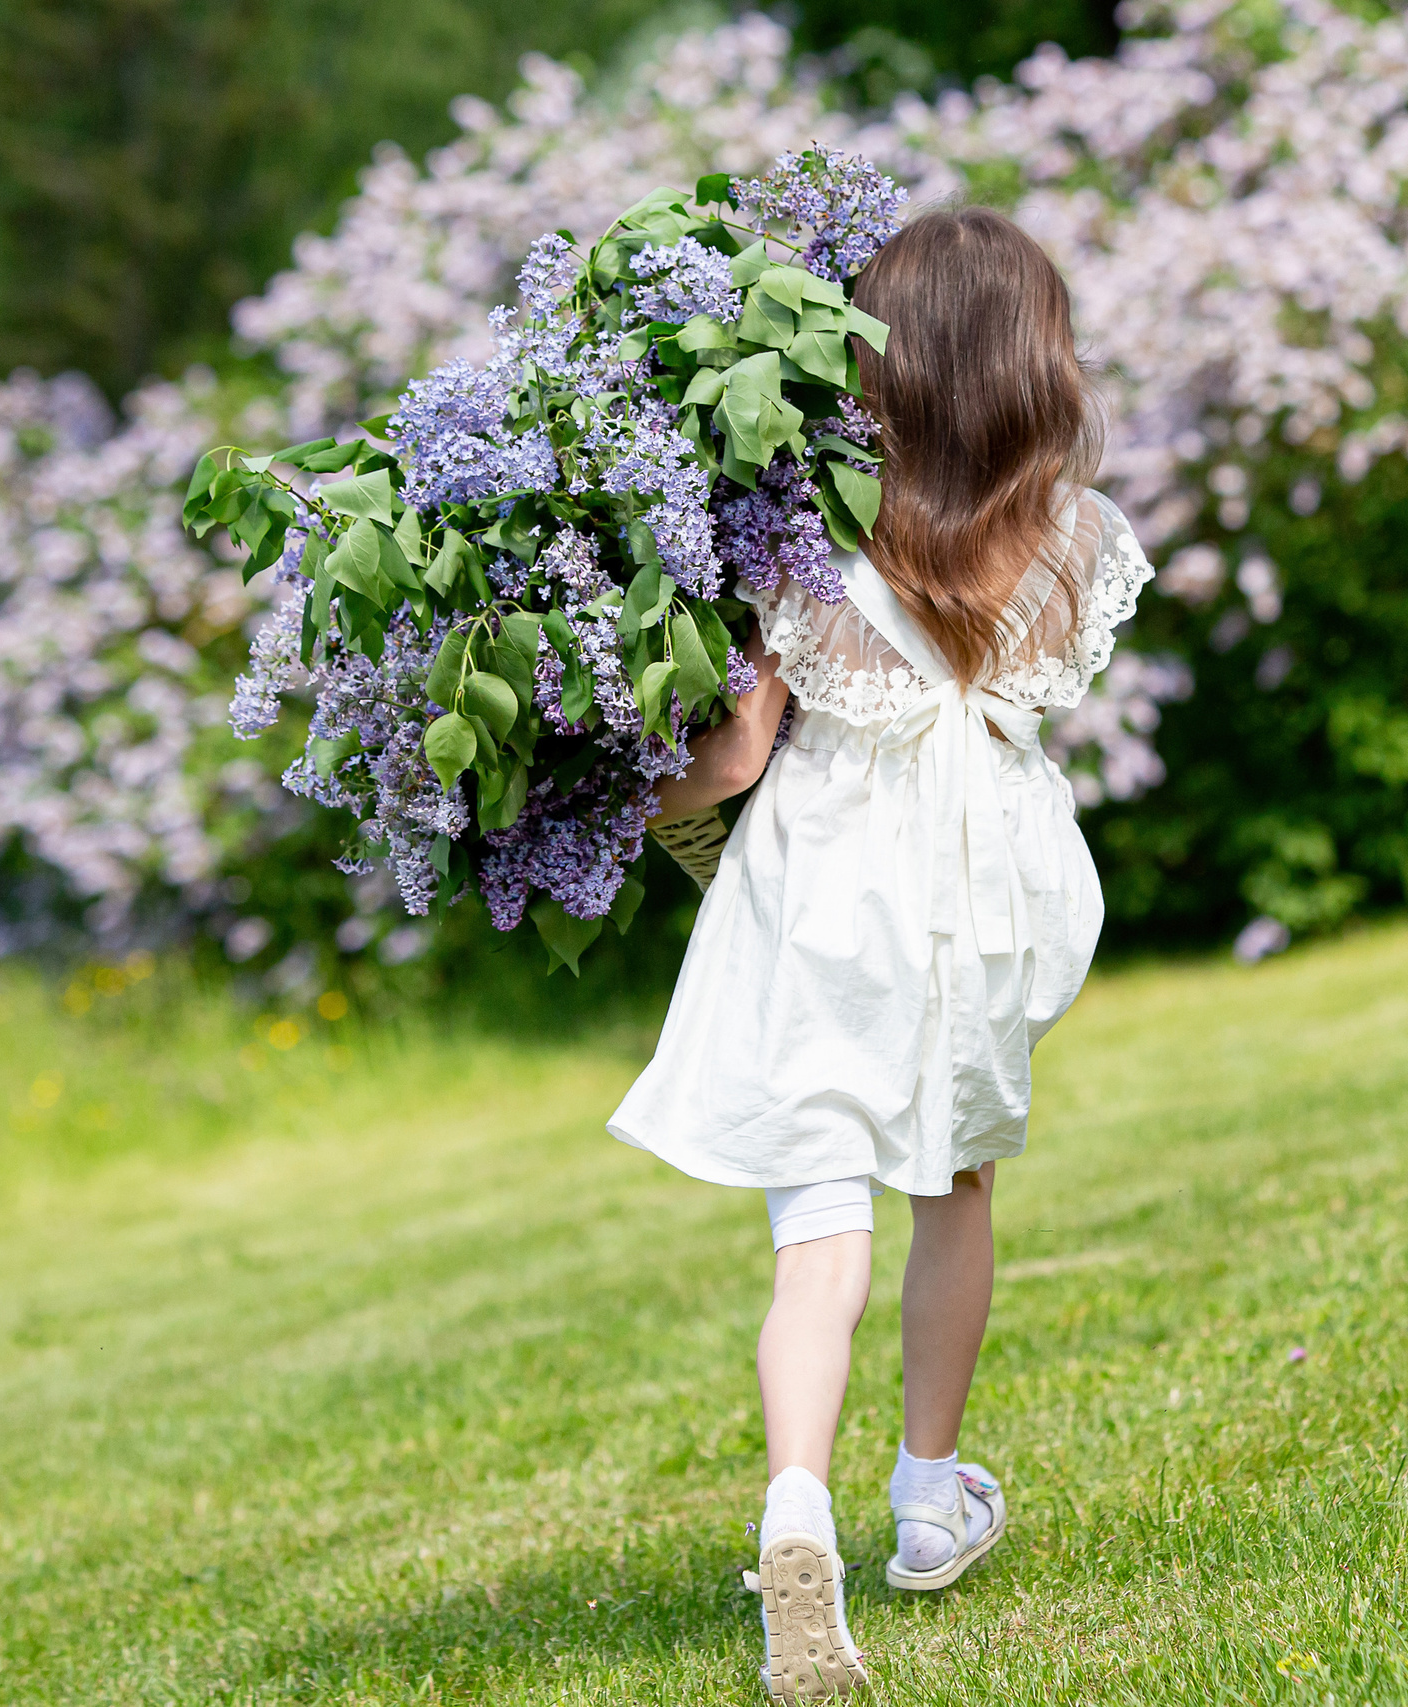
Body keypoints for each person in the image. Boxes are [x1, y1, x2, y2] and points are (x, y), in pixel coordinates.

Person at [606, 203, 1154, 1700]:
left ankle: (798, 1510)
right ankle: (926, 1492)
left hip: (829, 891)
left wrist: (612, 806)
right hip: (980, 895)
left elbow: (730, 765)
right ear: (1039, 364)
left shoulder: (810, 540)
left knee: (817, 1227)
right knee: (955, 1179)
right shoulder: (1077, 542)